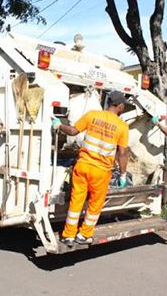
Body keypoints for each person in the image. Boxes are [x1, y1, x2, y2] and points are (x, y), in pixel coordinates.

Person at [52, 90, 129, 246]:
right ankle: (84, 235)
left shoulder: (92, 115)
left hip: (83, 166)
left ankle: (68, 235)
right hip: (101, 171)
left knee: (76, 201)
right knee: (95, 204)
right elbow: (122, 152)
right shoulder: (122, 126)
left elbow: (73, 131)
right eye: (123, 106)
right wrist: (122, 174)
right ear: (119, 106)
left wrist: (59, 125)